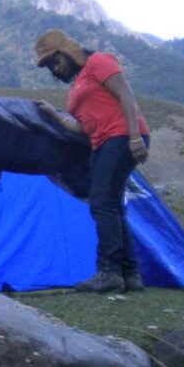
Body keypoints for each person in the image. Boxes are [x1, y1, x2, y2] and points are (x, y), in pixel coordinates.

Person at [33, 29, 150, 293]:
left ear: (68, 52)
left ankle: (109, 272)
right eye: (50, 65)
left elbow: (126, 95)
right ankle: (129, 274)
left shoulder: (99, 62)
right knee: (113, 207)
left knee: (101, 203)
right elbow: (83, 128)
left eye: (56, 60)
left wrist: (134, 137)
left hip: (121, 137)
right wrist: (54, 115)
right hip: (102, 143)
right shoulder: (79, 83)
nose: (55, 68)